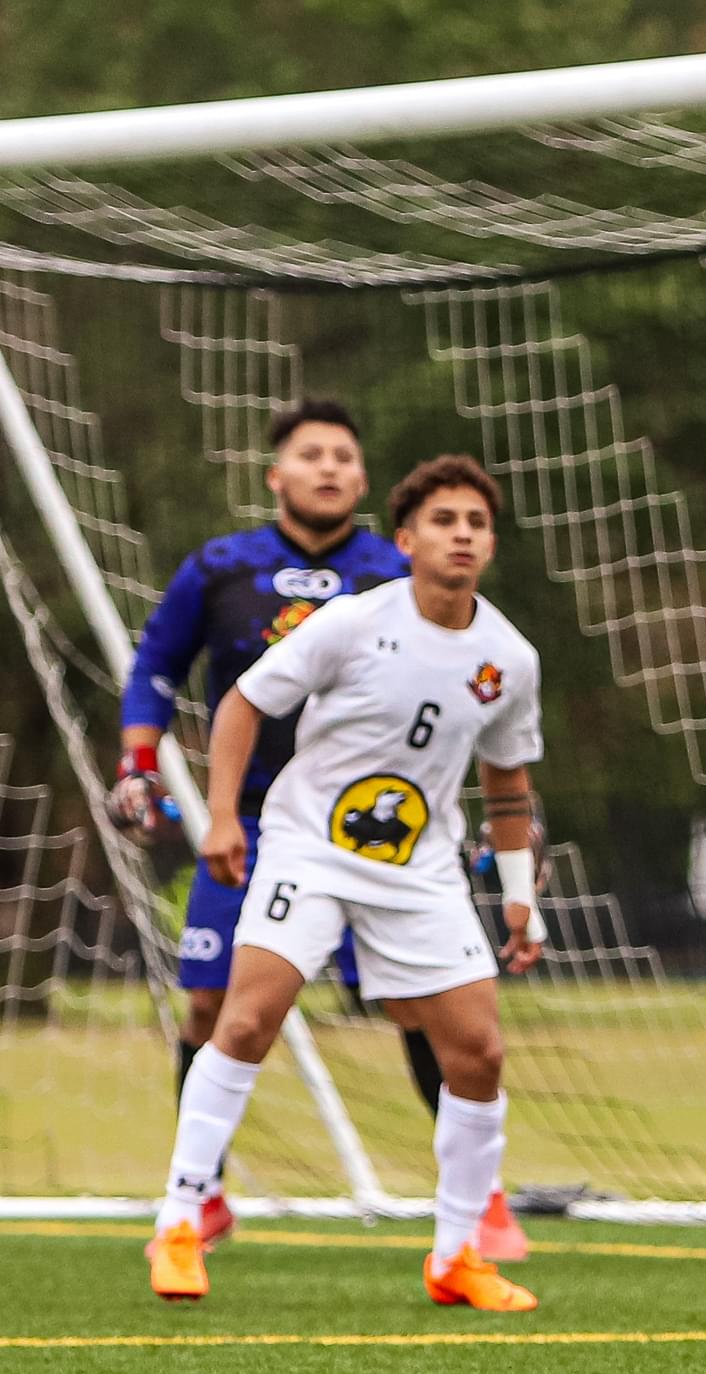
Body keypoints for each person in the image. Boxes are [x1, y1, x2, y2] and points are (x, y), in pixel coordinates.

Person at [111, 400, 529, 1262]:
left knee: (457, 1031)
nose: (330, 468)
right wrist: (162, 776)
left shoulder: (483, 638)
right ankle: (191, 1206)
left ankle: (469, 1231)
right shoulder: (242, 572)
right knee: (227, 1006)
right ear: (279, 474)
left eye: (475, 522)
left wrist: (518, 885)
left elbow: (507, 777)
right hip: (283, 829)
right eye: (312, 455)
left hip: (412, 855)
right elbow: (177, 672)